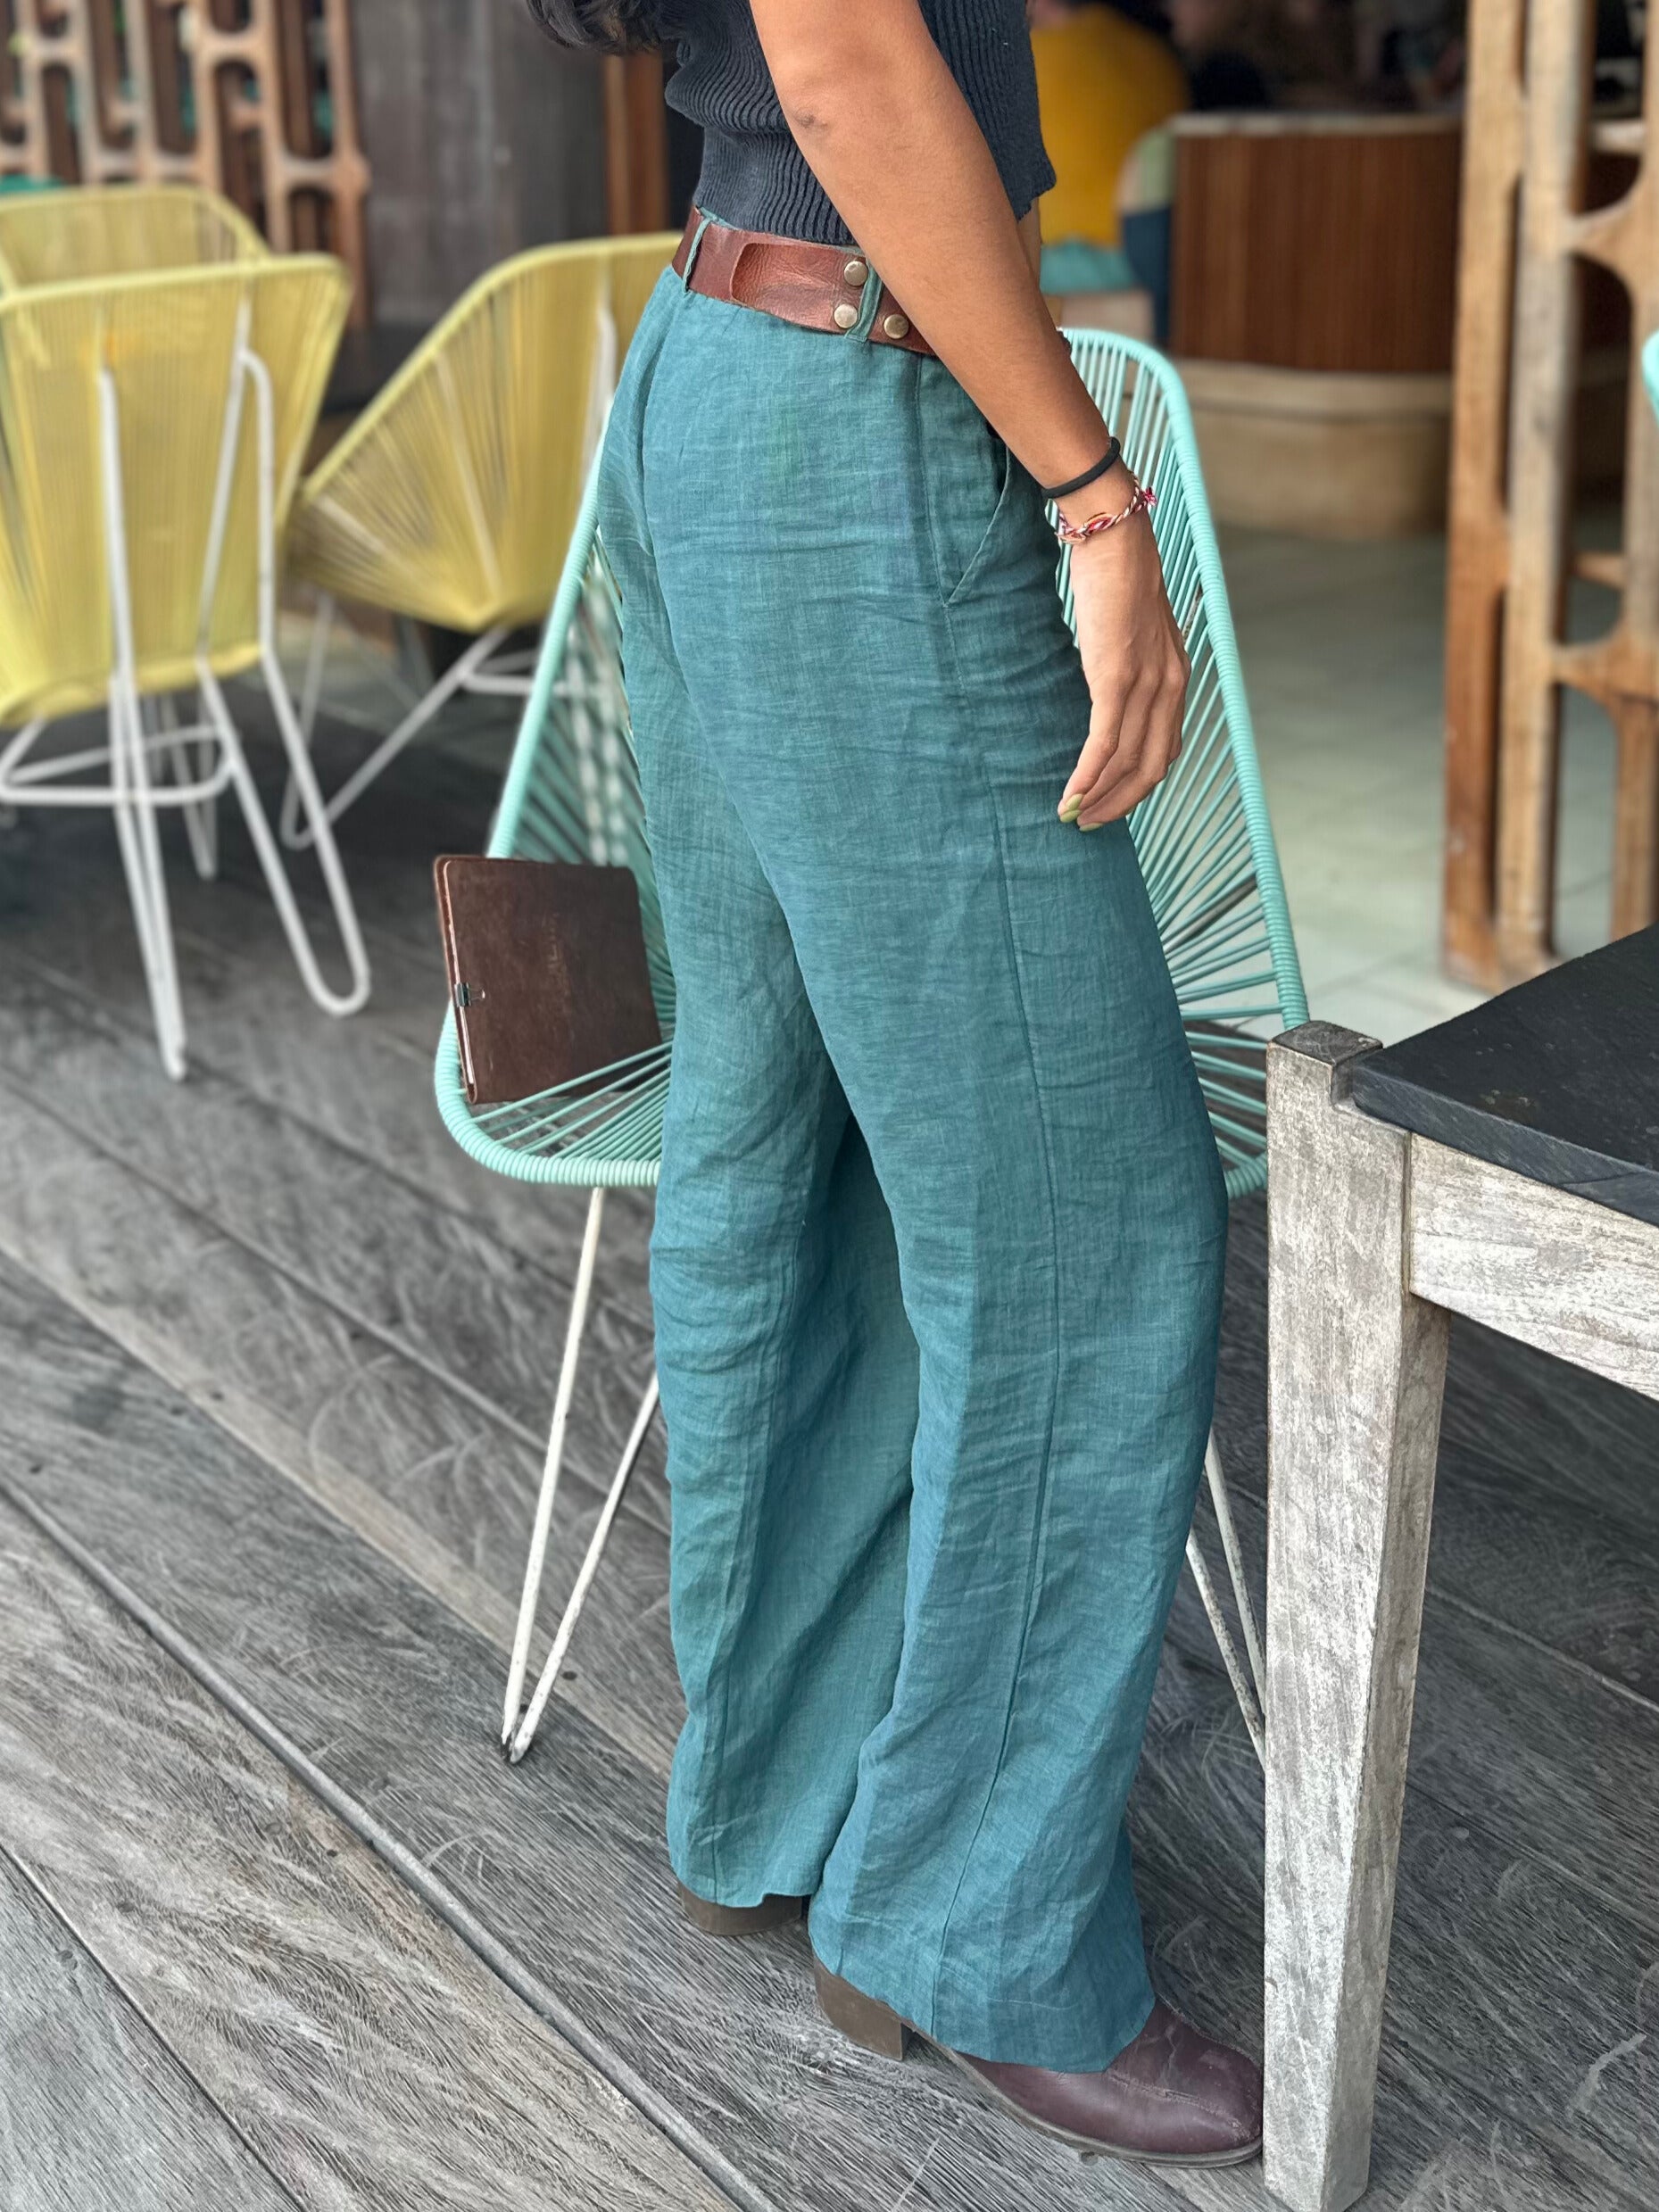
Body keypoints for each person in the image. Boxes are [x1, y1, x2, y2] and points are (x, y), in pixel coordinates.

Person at [528, 0, 1260, 2167]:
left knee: (792, 1140)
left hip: (718, 368)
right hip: (860, 400)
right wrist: (1093, 491)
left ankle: (789, 1805)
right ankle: (973, 1925)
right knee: (1093, 1224)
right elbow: (847, 54)